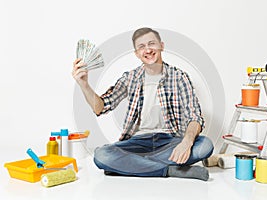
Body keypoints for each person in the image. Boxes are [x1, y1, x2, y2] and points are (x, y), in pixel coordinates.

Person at [72, 27, 214, 181]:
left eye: (151, 43)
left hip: (170, 141)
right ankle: (170, 170)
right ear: (136, 53)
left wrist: (186, 142)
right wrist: (84, 84)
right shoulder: (130, 78)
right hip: (136, 142)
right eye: (141, 47)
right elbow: (101, 107)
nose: (147, 50)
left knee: (205, 145)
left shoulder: (179, 77)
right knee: (101, 155)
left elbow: (195, 117)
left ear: (161, 46)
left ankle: (130, 167)